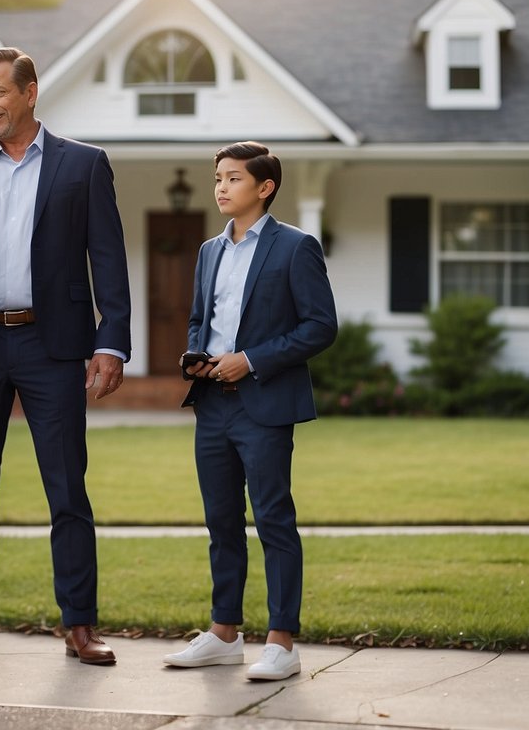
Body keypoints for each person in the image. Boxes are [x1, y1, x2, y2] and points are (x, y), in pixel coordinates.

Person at [0, 47, 131, 667]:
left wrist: (110, 340)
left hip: (53, 346)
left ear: (30, 93)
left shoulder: (83, 165)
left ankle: (81, 626)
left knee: (67, 489)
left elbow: (109, 257)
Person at [165, 141, 337, 681]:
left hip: (264, 405)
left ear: (264, 188)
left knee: (273, 520)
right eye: (217, 177)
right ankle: (224, 633)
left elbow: (320, 326)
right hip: (212, 405)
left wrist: (252, 361)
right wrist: (198, 356)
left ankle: (282, 643)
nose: (220, 187)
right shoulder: (208, 251)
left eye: (233, 178)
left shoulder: (296, 247)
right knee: (221, 522)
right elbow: (199, 319)